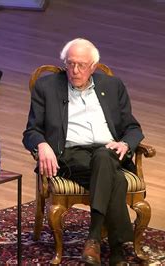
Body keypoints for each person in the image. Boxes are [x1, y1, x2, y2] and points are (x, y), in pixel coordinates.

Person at [22, 38, 143, 265]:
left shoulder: (112, 85)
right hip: (71, 155)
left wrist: (125, 144)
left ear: (93, 67)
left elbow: (133, 128)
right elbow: (31, 131)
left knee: (103, 157)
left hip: (108, 152)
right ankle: (115, 249)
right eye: (70, 64)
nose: (74, 70)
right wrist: (42, 144)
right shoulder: (47, 87)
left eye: (81, 65)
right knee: (113, 176)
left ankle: (94, 238)